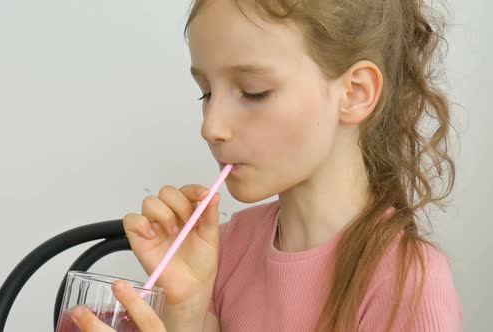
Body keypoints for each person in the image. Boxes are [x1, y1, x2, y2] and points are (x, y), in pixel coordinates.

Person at [73, 0, 462, 331]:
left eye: (254, 92)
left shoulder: (408, 282)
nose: (211, 127)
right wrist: (186, 310)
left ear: (355, 93)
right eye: (206, 94)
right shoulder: (223, 250)